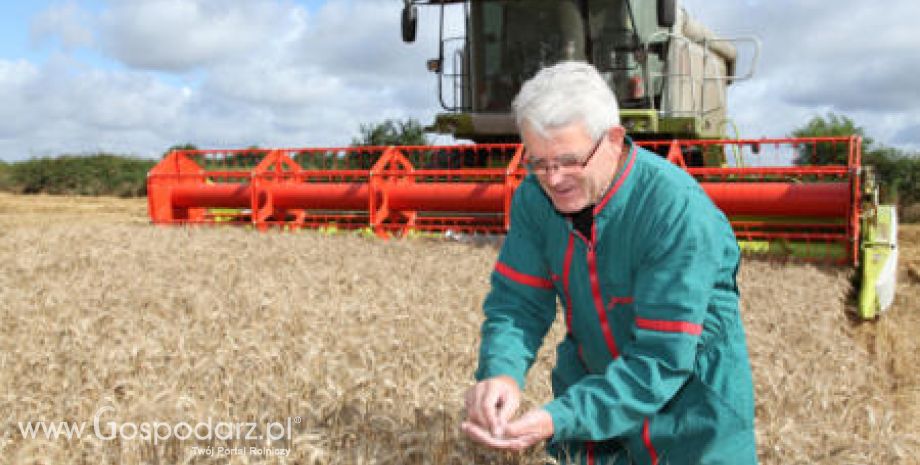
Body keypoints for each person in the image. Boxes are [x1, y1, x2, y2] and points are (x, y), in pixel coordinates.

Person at [461, 61, 757, 465]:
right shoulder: (533, 201)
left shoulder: (675, 210)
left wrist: (557, 418)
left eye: (569, 160)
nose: (553, 179)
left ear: (614, 140)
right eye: (539, 162)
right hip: (593, 408)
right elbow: (518, 303)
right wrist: (502, 373)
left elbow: (662, 357)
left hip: (693, 417)